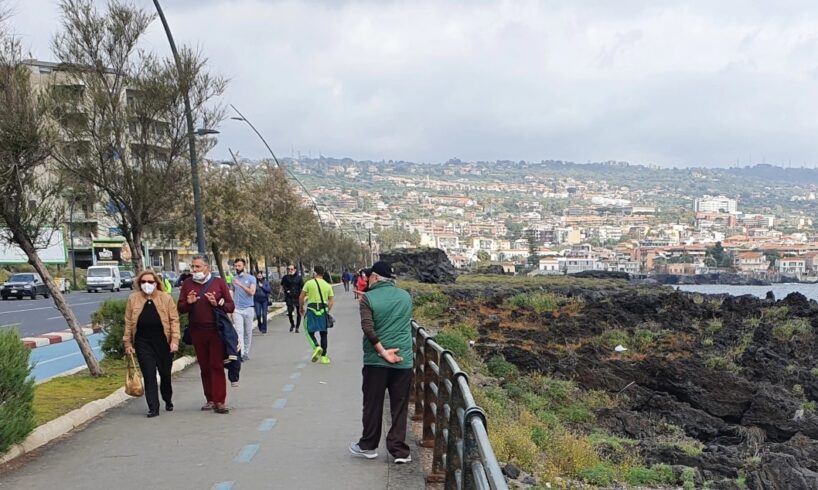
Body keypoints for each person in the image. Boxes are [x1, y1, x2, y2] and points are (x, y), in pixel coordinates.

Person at [349, 261, 414, 463]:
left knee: (372, 404)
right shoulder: (406, 296)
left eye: (369, 276)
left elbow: (368, 328)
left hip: (375, 361)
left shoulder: (368, 298)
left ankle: (368, 446)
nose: (367, 278)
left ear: (375, 277)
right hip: (402, 359)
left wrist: (383, 352)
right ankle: (399, 451)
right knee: (399, 406)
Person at [178, 254, 235, 414]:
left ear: (207, 267)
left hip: (216, 330)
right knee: (204, 366)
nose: (194, 270)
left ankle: (220, 401)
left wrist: (217, 304)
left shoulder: (218, 283)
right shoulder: (187, 284)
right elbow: (180, 308)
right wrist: (188, 304)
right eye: (193, 267)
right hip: (197, 331)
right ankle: (209, 399)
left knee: (216, 365)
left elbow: (230, 306)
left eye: (197, 267)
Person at [123, 270, 181, 418]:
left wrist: (174, 341)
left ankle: (167, 399)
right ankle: (153, 407)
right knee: (149, 375)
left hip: (163, 342)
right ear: (138, 284)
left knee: (165, 375)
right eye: (143, 282)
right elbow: (129, 322)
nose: (146, 285)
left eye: (150, 282)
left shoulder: (165, 298)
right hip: (143, 342)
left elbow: (174, 320)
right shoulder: (133, 299)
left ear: (156, 283)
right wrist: (128, 343)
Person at [299, 265, 334, 364]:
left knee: (308, 330)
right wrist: (327, 310)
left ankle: (316, 346)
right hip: (323, 310)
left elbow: (301, 297)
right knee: (324, 333)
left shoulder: (309, 283)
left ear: (314, 273)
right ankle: (324, 357)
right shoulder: (327, 285)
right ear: (323, 274)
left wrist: (301, 308)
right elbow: (331, 300)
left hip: (311, 309)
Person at [231, 258, 257, 361]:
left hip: (248, 308)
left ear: (244, 266)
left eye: (239, 266)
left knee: (247, 332)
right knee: (239, 332)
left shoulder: (251, 278)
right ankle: (240, 353)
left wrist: (240, 285)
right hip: (237, 309)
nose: (237, 268)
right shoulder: (234, 279)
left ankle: (246, 352)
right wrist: (231, 306)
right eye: (236, 266)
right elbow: (231, 291)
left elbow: (252, 292)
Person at [281, 264, 303, 333]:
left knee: (299, 312)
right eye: (289, 269)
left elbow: (302, 287)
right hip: (289, 296)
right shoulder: (285, 277)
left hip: (297, 296)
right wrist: (287, 290)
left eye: (291, 269)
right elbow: (283, 285)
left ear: (295, 270)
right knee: (290, 312)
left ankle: (297, 327)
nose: (290, 270)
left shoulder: (299, 278)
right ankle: (292, 324)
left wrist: (303, 296)